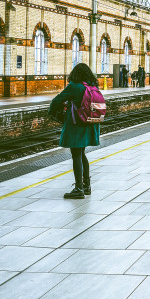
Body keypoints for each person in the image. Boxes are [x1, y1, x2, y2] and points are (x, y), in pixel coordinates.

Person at [49, 62, 101, 199]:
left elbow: (56, 101)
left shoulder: (74, 86)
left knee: (76, 154)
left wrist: (52, 112)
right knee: (82, 153)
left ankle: (79, 188)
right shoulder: (92, 86)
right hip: (89, 124)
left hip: (77, 124)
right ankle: (86, 186)